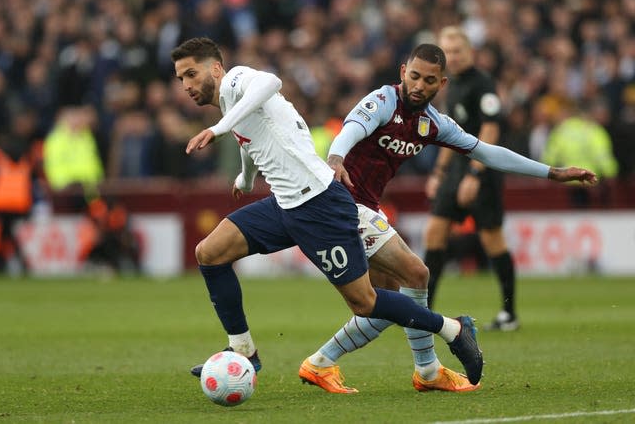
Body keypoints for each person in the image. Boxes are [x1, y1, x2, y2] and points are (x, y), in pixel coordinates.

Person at [170, 37, 485, 387]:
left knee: (365, 302)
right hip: (286, 203)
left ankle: (453, 329)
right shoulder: (232, 103)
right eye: (181, 77)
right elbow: (250, 136)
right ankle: (243, 351)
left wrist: (219, 128)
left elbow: (271, 82)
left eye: (191, 74)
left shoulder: (237, 79)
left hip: (318, 202)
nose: (186, 85)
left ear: (215, 68)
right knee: (209, 253)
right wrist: (246, 177)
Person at [298, 42, 597, 393]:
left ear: (441, 84)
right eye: (413, 76)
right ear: (402, 74)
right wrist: (336, 158)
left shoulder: (432, 124)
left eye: (428, 80)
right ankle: (427, 370)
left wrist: (553, 173)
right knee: (416, 273)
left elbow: (488, 153)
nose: (418, 85)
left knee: (388, 301)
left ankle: (320, 363)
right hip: (339, 202)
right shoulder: (382, 101)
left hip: (362, 206)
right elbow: (349, 130)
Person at [424, 26, 518, 331]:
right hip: (456, 171)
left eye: (457, 50)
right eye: (447, 51)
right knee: (434, 234)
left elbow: (491, 127)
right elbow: (451, 134)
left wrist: (475, 174)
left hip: (481, 172)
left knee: (492, 239)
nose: (452, 56)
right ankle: (424, 313)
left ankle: (509, 314)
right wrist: (439, 172)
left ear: (469, 52)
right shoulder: (451, 85)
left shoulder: (482, 83)